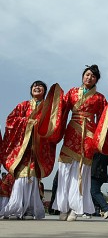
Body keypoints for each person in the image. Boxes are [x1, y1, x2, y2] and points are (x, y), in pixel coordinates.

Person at [53, 64, 108, 222]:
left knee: (81, 172)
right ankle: (63, 207)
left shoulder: (100, 98)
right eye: (87, 74)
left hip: (88, 135)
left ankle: (75, 208)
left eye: (93, 76)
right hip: (72, 131)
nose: (89, 77)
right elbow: (62, 110)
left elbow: (103, 121)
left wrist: (99, 141)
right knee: (65, 171)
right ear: (83, 76)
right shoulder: (72, 92)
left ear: (96, 80)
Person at [0, 81, 64, 219]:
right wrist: (28, 122)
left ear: (44, 91)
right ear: (31, 90)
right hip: (22, 148)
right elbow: (11, 121)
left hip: (38, 148)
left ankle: (29, 209)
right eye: (34, 86)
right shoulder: (23, 105)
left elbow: (53, 126)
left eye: (40, 86)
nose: (37, 87)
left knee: (33, 178)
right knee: (21, 179)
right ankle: (16, 209)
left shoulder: (48, 109)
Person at [83, 153, 108, 219]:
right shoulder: (107, 151)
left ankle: (106, 208)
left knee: (94, 192)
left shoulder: (96, 149)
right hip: (100, 175)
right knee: (91, 192)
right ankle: (88, 211)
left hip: (95, 174)